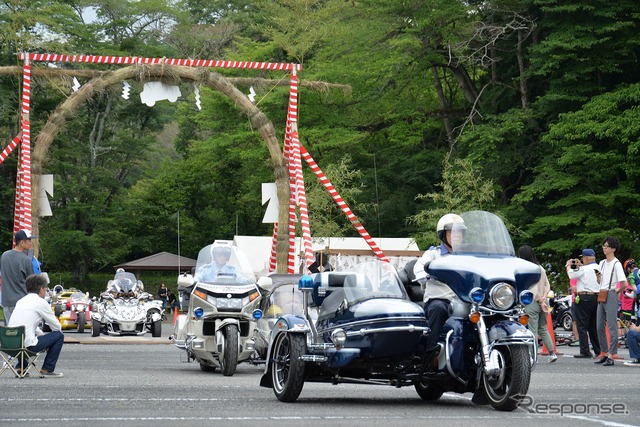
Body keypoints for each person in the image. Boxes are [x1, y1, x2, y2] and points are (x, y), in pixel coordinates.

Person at [413, 213, 466, 364]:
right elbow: (420, 267)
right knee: (438, 309)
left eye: (460, 233)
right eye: (452, 233)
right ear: (443, 235)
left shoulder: (466, 256)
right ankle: (430, 355)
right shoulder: (433, 253)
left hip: (464, 301)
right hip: (440, 299)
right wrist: (425, 273)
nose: (457, 236)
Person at [7, 274, 64, 377]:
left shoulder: (20, 301)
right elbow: (56, 327)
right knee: (59, 336)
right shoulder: (41, 302)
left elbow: (25, 323)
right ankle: (47, 369)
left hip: (10, 345)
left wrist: (40, 334)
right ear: (41, 289)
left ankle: (21, 367)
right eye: (45, 288)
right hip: (28, 346)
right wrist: (46, 340)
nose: (46, 291)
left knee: (23, 335)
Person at [519, 245, 557, 363]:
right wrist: (544, 297)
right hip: (543, 301)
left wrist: (539, 300)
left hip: (532, 302)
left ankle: (532, 355)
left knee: (532, 330)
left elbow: (532, 288)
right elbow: (547, 285)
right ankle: (552, 353)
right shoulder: (540, 268)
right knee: (543, 329)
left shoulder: (527, 269)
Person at [595, 236, 628, 366]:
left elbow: (624, 283)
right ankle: (604, 351)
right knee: (599, 326)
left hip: (611, 293)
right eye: (603, 246)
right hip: (601, 292)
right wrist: (598, 278)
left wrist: (616, 292)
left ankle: (611, 354)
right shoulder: (602, 263)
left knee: (612, 325)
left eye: (607, 246)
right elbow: (599, 281)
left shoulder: (616, 263)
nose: (604, 248)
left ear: (613, 249)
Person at [566, 248, 601, 358]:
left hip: (584, 297)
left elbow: (571, 275)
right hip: (596, 297)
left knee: (582, 325)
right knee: (593, 326)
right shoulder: (599, 267)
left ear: (585, 258)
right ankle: (598, 350)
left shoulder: (584, 269)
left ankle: (585, 350)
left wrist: (568, 266)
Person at [1, 230, 36, 324]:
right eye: (28, 240)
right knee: (22, 332)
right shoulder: (26, 260)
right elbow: (32, 283)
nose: (30, 243)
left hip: (6, 301)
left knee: (9, 332)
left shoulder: (4, 256)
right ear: (21, 243)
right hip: (22, 302)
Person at [620, 259, 638, 323]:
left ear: (628, 268)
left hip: (635, 302)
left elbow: (635, 291)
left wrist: (626, 292)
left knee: (633, 321)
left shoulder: (631, 276)